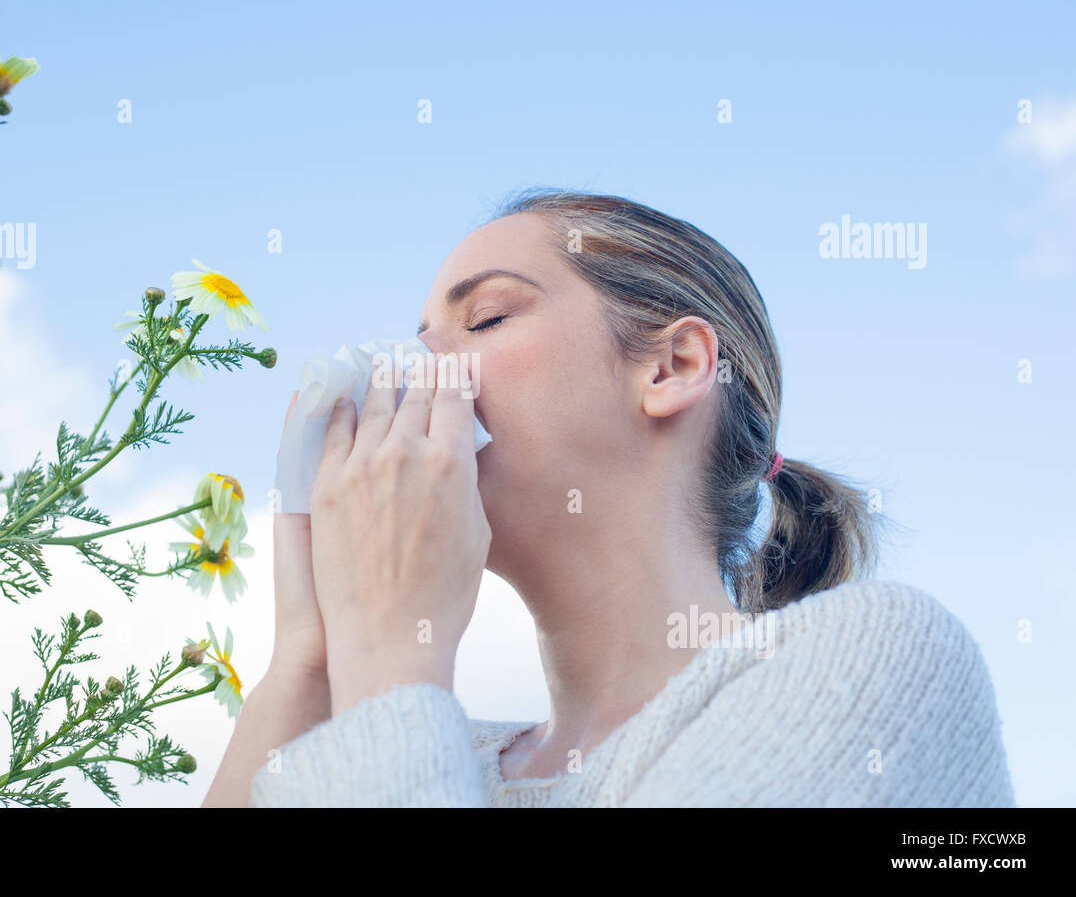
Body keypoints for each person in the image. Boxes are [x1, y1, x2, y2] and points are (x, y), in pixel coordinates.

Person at [203, 189, 1014, 807]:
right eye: (414, 343)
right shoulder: (442, 746)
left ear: (672, 368)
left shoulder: (877, 665)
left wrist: (389, 654)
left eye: (483, 320)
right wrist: (312, 656)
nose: (406, 373)